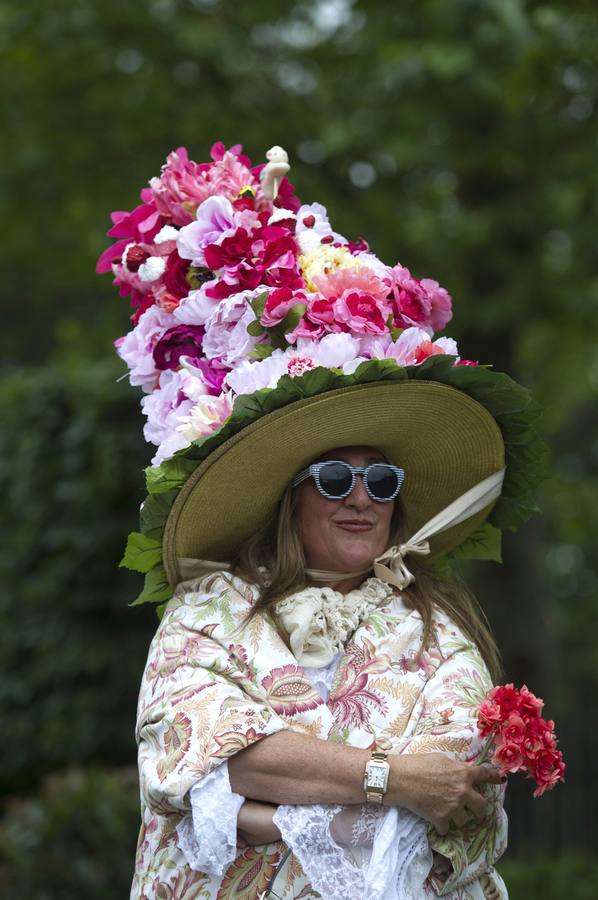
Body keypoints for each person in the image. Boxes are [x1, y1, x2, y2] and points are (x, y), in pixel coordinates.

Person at [97, 141, 546, 898]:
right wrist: (388, 776)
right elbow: (200, 750)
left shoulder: (438, 627)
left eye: (381, 479)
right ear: (290, 498)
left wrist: (263, 795)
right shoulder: (209, 608)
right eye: (335, 478)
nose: (361, 497)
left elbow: (457, 796)